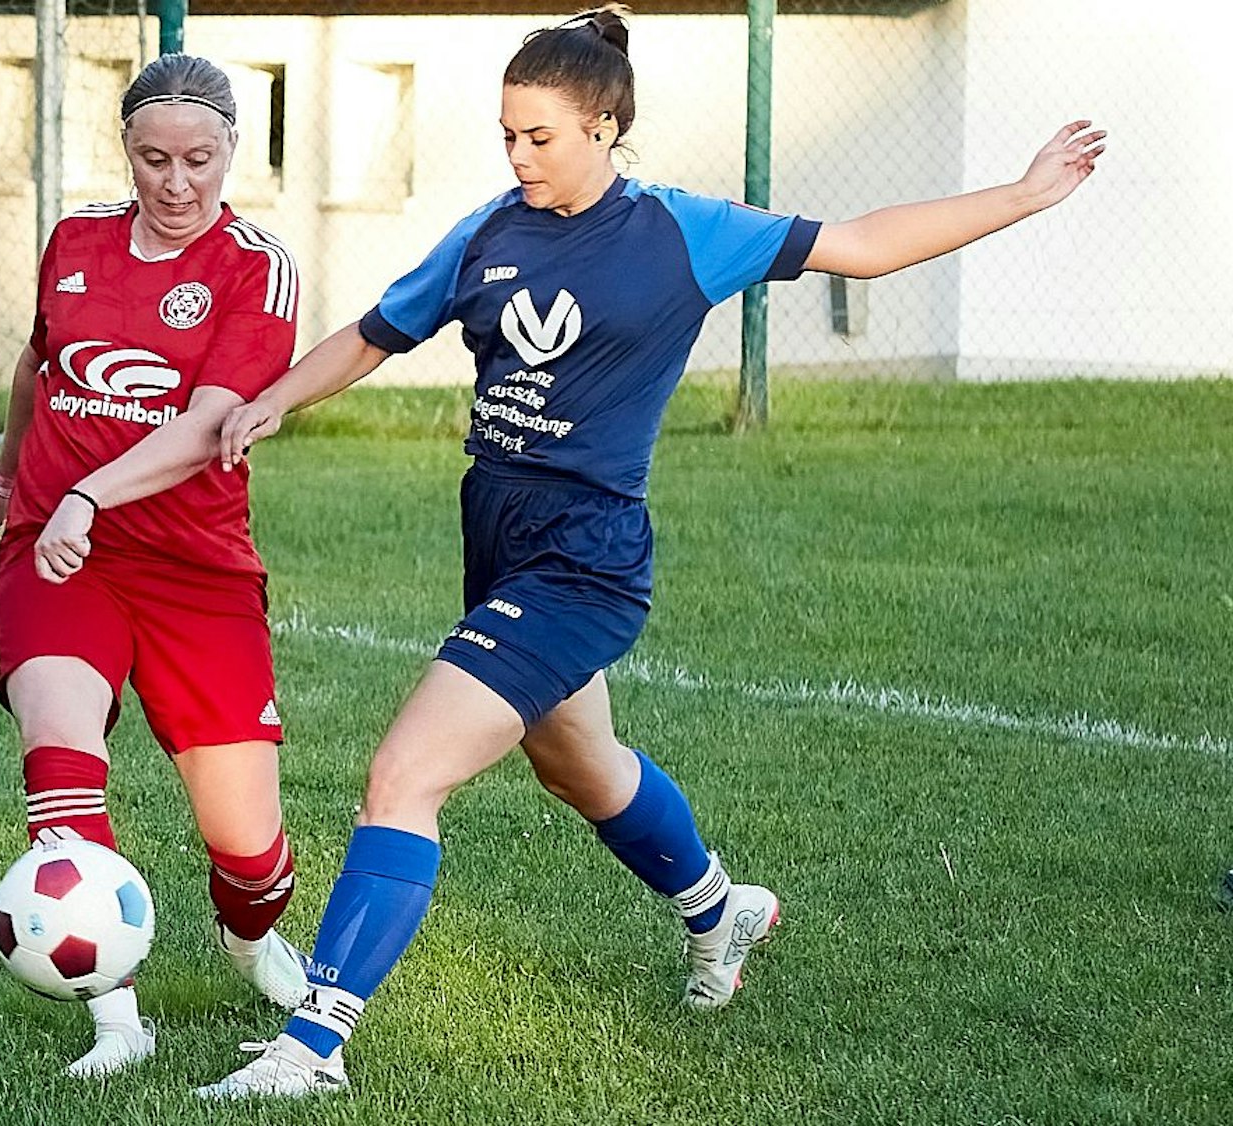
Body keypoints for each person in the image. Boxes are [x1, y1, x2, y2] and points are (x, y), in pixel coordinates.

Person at [193, 4, 1104, 1099]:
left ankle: (312, 1046)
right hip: (498, 535)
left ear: (604, 126)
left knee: (402, 773)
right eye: (505, 135)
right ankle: (723, 911)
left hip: (583, 559)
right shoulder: (488, 231)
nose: (518, 155)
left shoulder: (680, 231)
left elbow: (858, 246)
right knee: (576, 765)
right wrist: (274, 401)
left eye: (539, 136)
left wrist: (1019, 193)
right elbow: (379, 331)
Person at [0, 54, 310, 1079]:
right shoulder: (73, 241)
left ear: (232, 150)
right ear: (127, 151)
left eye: (199, 158)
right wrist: (5, 475)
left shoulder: (255, 266)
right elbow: (42, 362)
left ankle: (248, 937)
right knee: (59, 761)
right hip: (57, 552)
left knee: (248, 853)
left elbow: (208, 428)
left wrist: (89, 490)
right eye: (153, 158)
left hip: (194, 569)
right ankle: (116, 1017)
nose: (175, 181)